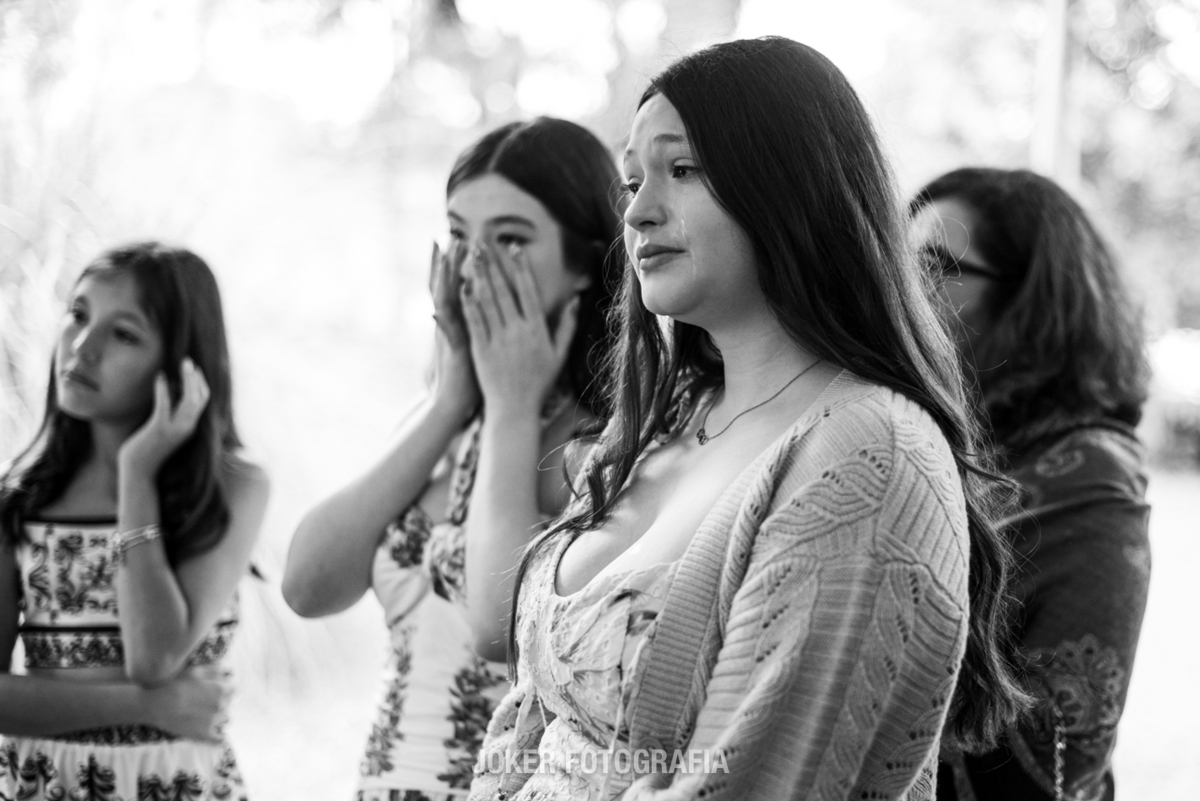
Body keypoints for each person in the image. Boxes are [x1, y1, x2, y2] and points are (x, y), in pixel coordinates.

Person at [467, 37, 1030, 801]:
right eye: (631, 181)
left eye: (682, 169)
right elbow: (526, 713)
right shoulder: (669, 421)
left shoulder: (868, 454)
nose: (637, 210)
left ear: (791, 184)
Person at [282, 117, 625, 801]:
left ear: (586, 262)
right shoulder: (449, 417)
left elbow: (502, 628)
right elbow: (307, 584)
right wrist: (447, 405)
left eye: (510, 240)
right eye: (461, 236)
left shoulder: (609, 445)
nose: (474, 268)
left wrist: (512, 404)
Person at [910, 167, 1151, 801]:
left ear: (1031, 302)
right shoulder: (930, 439)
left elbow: (1060, 764)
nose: (903, 288)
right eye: (896, 261)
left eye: (935, 265)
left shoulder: (1093, 478)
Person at [0, 242, 270, 800]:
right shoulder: (18, 503)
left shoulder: (231, 490)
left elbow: (155, 656)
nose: (83, 346)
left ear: (181, 364)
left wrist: (136, 474)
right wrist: (148, 707)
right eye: (78, 315)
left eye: (123, 334)